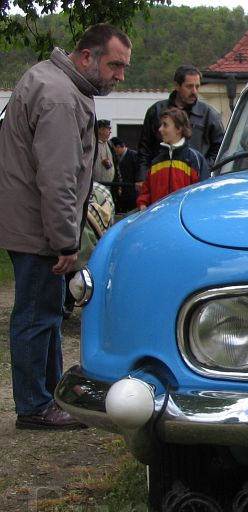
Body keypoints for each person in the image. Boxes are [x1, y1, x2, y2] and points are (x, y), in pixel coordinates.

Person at [0, 24, 131, 430]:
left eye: (124, 68)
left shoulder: (54, 82)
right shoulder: (59, 96)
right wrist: (64, 241)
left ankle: (48, 396)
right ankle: (36, 406)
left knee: (45, 315)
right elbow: (58, 178)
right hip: (38, 229)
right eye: (115, 65)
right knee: (37, 318)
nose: (120, 75)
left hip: (33, 223)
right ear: (87, 56)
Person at [136, 65, 223, 184]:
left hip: (195, 181)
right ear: (177, 85)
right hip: (160, 179)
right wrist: (141, 177)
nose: (194, 91)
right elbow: (144, 148)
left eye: (197, 86)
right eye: (189, 86)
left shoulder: (209, 115)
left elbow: (221, 148)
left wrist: (202, 168)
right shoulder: (156, 111)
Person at [136, 107, 210, 210]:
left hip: (184, 218)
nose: (160, 129)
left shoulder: (195, 159)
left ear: (179, 129)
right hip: (159, 218)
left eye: (165, 125)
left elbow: (203, 194)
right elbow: (146, 193)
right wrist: (142, 204)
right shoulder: (156, 162)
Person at [110, 136, 139, 214]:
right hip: (122, 192)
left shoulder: (134, 155)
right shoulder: (116, 158)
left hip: (132, 191)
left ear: (118, 147)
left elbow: (138, 172)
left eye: (113, 149)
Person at [93, 118, 118, 194]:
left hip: (109, 185)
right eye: (108, 129)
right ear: (100, 130)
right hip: (94, 185)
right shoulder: (91, 144)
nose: (110, 132)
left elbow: (116, 163)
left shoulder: (110, 144)